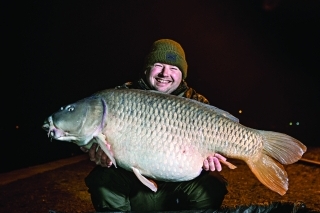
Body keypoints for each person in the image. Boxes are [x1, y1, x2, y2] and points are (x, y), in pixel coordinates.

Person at [81, 39, 229, 212]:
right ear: (146, 68)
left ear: (182, 74)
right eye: (159, 65)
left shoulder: (196, 103)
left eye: (174, 68)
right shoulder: (122, 95)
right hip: (135, 187)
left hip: (178, 188)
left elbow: (211, 151)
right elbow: (96, 138)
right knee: (102, 179)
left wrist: (210, 159)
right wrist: (100, 155)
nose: (165, 73)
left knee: (213, 184)